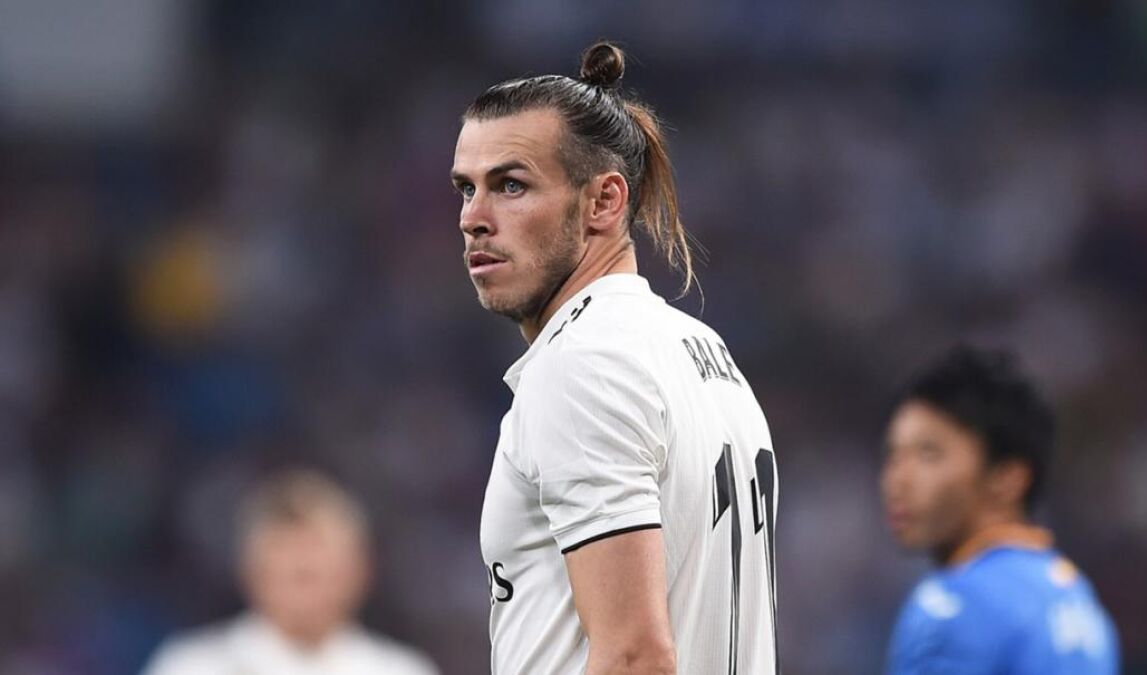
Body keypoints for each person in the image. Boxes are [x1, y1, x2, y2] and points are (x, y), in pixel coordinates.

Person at [452, 41, 779, 674]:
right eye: (467, 189)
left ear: (603, 201)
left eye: (511, 185)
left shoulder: (582, 364)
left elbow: (634, 656)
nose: (474, 218)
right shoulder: (704, 352)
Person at [880, 346, 1119, 674]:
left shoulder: (951, 605)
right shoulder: (1077, 599)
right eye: (893, 456)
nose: (897, 480)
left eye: (929, 454)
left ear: (1007, 478)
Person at [142, 468, 439, 675]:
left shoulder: (401, 670)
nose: (303, 564)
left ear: (359, 571)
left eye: (317, 560)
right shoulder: (192, 667)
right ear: (251, 571)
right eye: (288, 562)